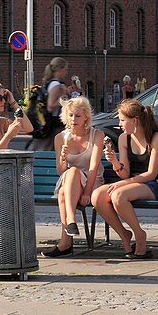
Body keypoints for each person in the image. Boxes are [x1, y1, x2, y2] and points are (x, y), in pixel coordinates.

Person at [91, 98, 158, 259]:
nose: (119, 124)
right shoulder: (123, 138)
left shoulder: (156, 137)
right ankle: (124, 235)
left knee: (119, 195)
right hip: (131, 183)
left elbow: (151, 174)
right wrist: (114, 162)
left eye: (122, 120)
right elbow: (124, 173)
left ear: (135, 120)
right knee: (97, 195)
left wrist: (122, 183)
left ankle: (140, 235)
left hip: (153, 185)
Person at [42, 96, 104, 258]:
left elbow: (94, 167)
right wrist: (62, 158)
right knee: (71, 172)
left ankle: (66, 242)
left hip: (92, 181)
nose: (73, 119)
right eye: (70, 115)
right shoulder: (60, 138)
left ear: (86, 117)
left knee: (66, 187)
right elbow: (61, 171)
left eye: (77, 115)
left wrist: (87, 192)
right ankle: (70, 226)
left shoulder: (97, 135)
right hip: (70, 182)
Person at [29, 57, 70, 151]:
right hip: (54, 124)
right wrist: (63, 98)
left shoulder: (51, 83)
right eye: (65, 69)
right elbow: (50, 106)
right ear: (59, 69)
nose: (66, 72)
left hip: (52, 124)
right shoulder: (56, 85)